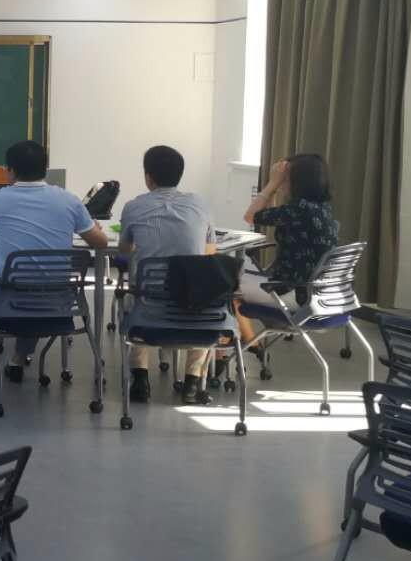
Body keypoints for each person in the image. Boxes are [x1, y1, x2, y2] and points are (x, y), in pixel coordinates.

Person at [0, 141, 108, 382]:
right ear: (45, 169)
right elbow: (100, 242)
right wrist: (92, 226)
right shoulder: (70, 201)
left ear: (10, 171)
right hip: (58, 303)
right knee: (38, 281)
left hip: (11, 300)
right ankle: (18, 359)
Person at [118, 145, 217, 405]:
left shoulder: (133, 206)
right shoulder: (199, 204)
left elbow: (125, 250)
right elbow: (209, 253)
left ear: (148, 177)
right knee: (203, 292)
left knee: (138, 292)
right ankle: (193, 383)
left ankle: (140, 380)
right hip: (191, 308)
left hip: (149, 310)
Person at [237, 153, 341, 350]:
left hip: (293, 295)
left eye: (284, 178)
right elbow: (270, 217)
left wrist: (272, 184)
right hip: (321, 297)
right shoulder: (321, 209)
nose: (282, 182)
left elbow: (250, 216)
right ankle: (250, 342)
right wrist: (275, 190)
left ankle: (247, 346)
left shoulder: (298, 210)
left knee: (225, 285)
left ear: (297, 181)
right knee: (236, 276)